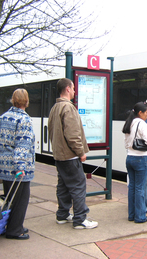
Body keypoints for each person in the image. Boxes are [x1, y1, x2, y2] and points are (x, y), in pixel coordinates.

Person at [48, 78, 98, 229]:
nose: (75, 91)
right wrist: (81, 152)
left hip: (59, 155)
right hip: (71, 156)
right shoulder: (68, 108)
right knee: (78, 186)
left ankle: (62, 215)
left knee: (63, 186)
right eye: (74, 88)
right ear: (68, 89)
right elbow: (73, 135)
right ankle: (80, 219)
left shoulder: (54, 108)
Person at [0, 88, 35, 240]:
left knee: (9, 198)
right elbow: (22, 145)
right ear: (26, 101)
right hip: (18, 168)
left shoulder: (4, 117)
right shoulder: (24, 120)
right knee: (21, 200)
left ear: (13, 100)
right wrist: (21, 167)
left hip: (4, 166)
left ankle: (11, 224)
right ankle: (15, 230)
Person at [122, 102, 147, 223]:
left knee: (132, 188)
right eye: (146, 113)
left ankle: (131, 215)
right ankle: (140, 216)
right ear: (140, 113)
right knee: (140, 188)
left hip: (129, 157)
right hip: (140, 159)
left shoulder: (129, 123)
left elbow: (126, 143)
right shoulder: (142, 124)